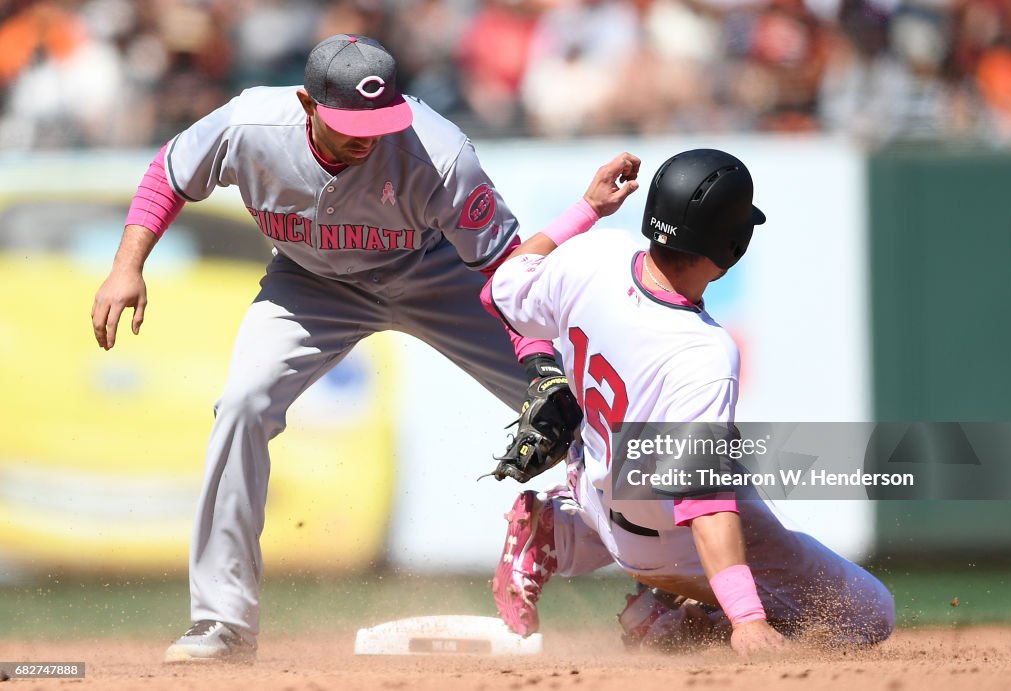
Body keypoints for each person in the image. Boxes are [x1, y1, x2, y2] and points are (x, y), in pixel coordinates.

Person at [90, 34, 576, 663]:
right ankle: (223, 624)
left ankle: (685, 578)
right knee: (241, 405)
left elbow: (508, 271)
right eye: (350, 121)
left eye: (380, 119)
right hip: (309, 284)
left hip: (433, 273)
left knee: (578, 405)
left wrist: (540, 366)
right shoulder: (252, 122)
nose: (367, 135)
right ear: (306, 102)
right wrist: (127, 265)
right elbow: (171, 172)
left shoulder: (439, 152)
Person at [484, 149, 896, 655]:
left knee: (694, 459)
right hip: (657, 541)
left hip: (592, 481)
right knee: (866, 614)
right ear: (732, 246)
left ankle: (559, 533)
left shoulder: (593, 254)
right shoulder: (703, 353)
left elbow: (500, 290)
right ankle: (669, 610)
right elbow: (702, 499)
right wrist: (747, 619)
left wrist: (586, 208)